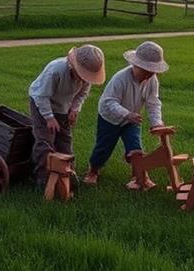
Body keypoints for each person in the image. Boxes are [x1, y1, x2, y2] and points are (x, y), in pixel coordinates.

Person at [84, 41, 167, 188]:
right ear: (136, 65)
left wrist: (157, 123)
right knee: (104, 147)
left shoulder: (152, 81)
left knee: (135, 148)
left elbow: (153, 102)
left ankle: (140, 176)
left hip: (132, 119)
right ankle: (93, 171)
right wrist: (126, 114)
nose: (148, 75)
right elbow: (109, 102)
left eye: (152, 72)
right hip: (110, 118)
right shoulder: (120, 78)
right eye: (145, 71)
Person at [28, 44, 106, 187]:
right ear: (73, 66)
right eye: (83, 75)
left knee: (65, 140)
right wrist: (49, 118)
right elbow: (41, 96)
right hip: (42, 104)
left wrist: (74, 110)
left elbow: (82, 95)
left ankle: (66, 174)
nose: (84, 80)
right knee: (46, 140)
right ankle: (42, 178)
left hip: (63, 107)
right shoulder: (56, 70)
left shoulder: (85, 80)